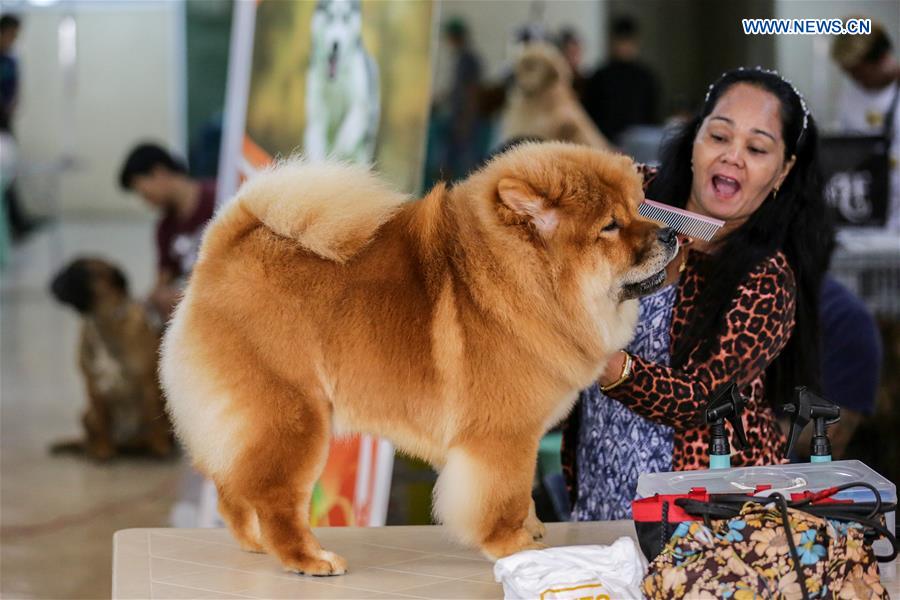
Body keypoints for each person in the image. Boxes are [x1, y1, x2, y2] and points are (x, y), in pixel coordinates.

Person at [563, 67, 831, 520]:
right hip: (600, 481)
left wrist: (599, 358)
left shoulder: (767, 278)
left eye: (757, 147)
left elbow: (701, 398)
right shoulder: (632, 198)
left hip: (711, 509)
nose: (732, 157)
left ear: (782, 172)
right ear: (695, 139)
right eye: (720, 136)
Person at [118, 143, 216, 321]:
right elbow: (162, 283)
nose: (147, 202)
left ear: (159, 172)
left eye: (145, 193)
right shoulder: (164, 229)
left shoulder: (220, 196)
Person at [831, 19, 900, 229]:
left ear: (882, 59)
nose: (855, 79)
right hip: (869, 211)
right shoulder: (850, 97)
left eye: (858, 72)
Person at [583, 15, 660, 144]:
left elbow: (651, 117)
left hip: (638, 143)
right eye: (621, 42)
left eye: (628, 42)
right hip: (605, 142)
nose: (624, 47)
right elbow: (590, 116)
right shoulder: (600, 76)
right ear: (613, 42)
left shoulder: (646, 77)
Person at [1, 13, 41, 241]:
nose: (13, 39)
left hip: (5, 122)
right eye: (10, 34)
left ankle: (15, 222)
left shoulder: (11, 60)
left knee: (9, 172)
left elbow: (15, 90)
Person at [555, 27, 587, 104]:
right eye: (571, 53)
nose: (575, 58)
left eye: (577, 52)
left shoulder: (584, 81)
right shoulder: (555, 82)